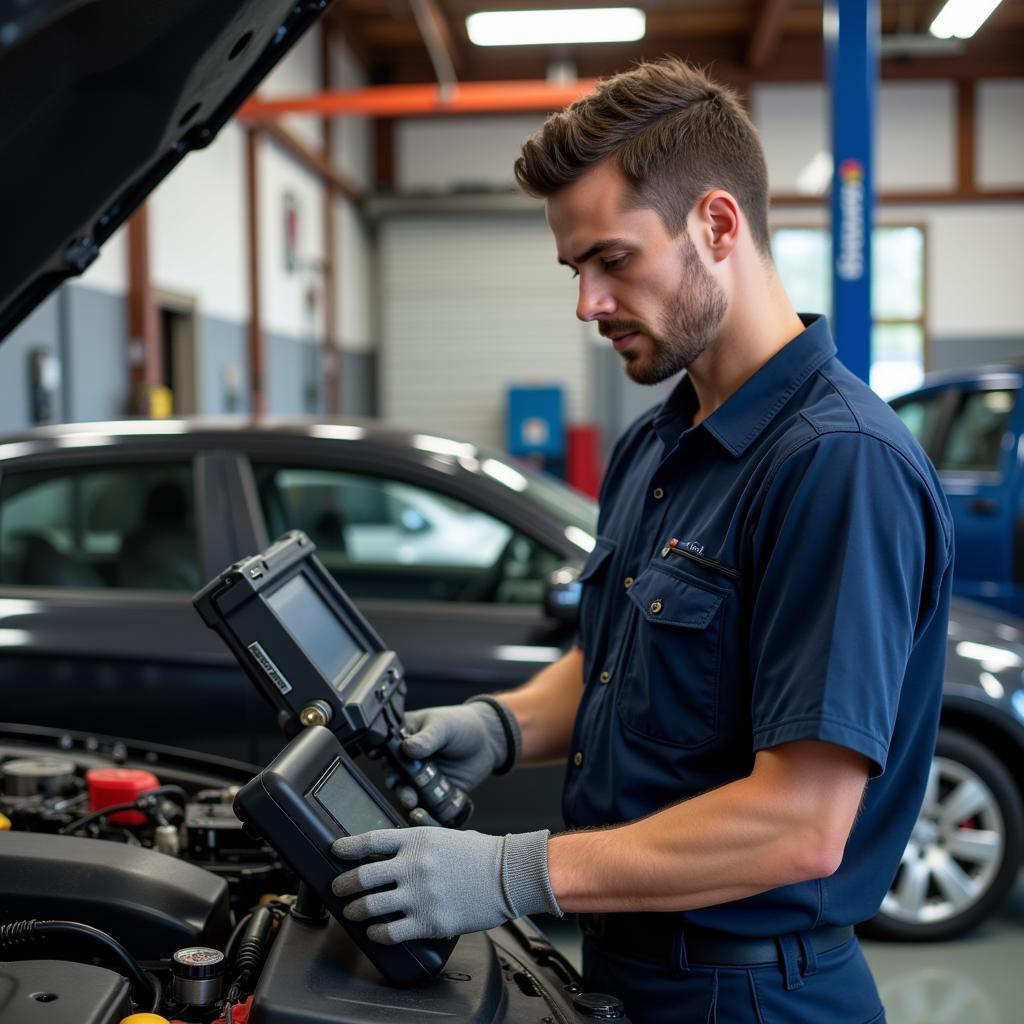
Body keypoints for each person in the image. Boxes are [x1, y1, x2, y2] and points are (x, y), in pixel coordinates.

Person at [331, 58, 953, 1023]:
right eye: (575, 269)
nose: (587, 304)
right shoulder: (660, 442)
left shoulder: (840, 466)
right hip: (629, 963)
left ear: (715, 224)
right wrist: (498, 728)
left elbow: (800, 827)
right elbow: (617, 660)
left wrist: (509, 871)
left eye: (613, 260)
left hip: (750, 991)